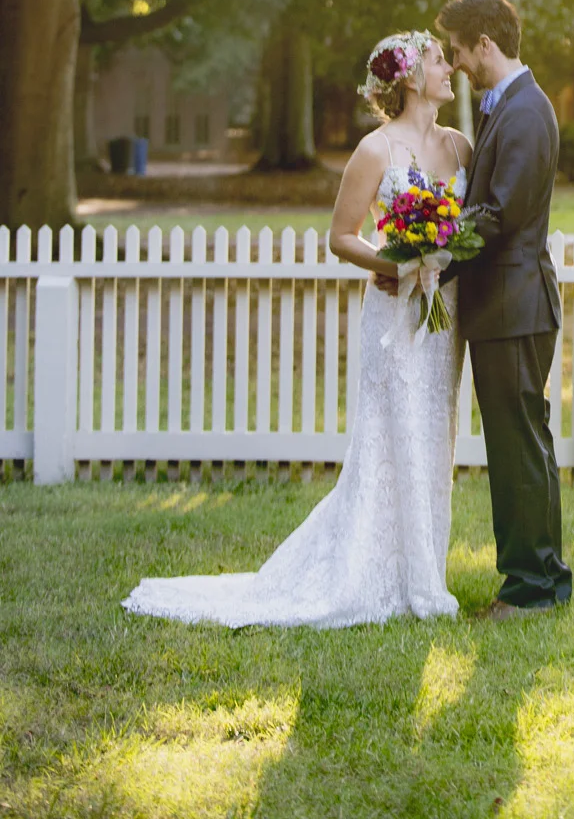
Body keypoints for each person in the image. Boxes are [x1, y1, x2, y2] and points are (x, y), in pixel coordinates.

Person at [122, 31, 472, 627]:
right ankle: (371, 571)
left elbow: (470, 225)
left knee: (434, 439)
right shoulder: (374, 151)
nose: (450, 67)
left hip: (443, 318)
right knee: (389, 440)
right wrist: (396, 263)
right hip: (392, 313)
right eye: (439, 59)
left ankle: (423, 571)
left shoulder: (462, 147)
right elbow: (341, 236)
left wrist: (442, 260)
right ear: (411, 78)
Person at [436, 0, 572, 617]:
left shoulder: (522, 112)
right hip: (507, 308)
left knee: (519, 450)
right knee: (521, 445)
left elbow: (501, 212)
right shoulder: (511, 106)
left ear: (485, 45)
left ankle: (531, 588)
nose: (458, 65)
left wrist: (434, 255)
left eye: (460, 53)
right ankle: (541, 579)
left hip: (516, 307)